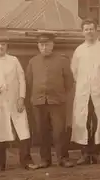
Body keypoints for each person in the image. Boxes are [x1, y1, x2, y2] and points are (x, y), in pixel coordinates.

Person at [0, 36, 37, 171]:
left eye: (3, 44)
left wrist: (21, 97)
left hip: (15, 100)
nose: (0, 47)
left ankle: (26, 161)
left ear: (7, 46)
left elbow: (22, 79)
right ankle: (0, 164)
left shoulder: (14, 60)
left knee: (23, 130)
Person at [71, 19, 100, 165]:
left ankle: (97, 153)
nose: (89, 32)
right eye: (86, 29)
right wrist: (84, 86)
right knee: (83, 120)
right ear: (82, 32)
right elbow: (75, 71)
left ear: (96, 30)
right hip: (83, 92)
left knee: (98, 121)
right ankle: (85, 153)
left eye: (91, 29)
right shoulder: (79, 50)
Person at [26, 33, 74, 168]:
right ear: (38, 46)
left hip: (57, 101)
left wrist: (59, 93)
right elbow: (29, 81)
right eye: (41, 45)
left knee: (59, 131)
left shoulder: (62, 60)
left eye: (47, 44)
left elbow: (69, 81)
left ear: (52, 45)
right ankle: (45, 159)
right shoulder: (33, 61)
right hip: (39, 102)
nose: (44, 47)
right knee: (41, 131)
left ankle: (63, 158)